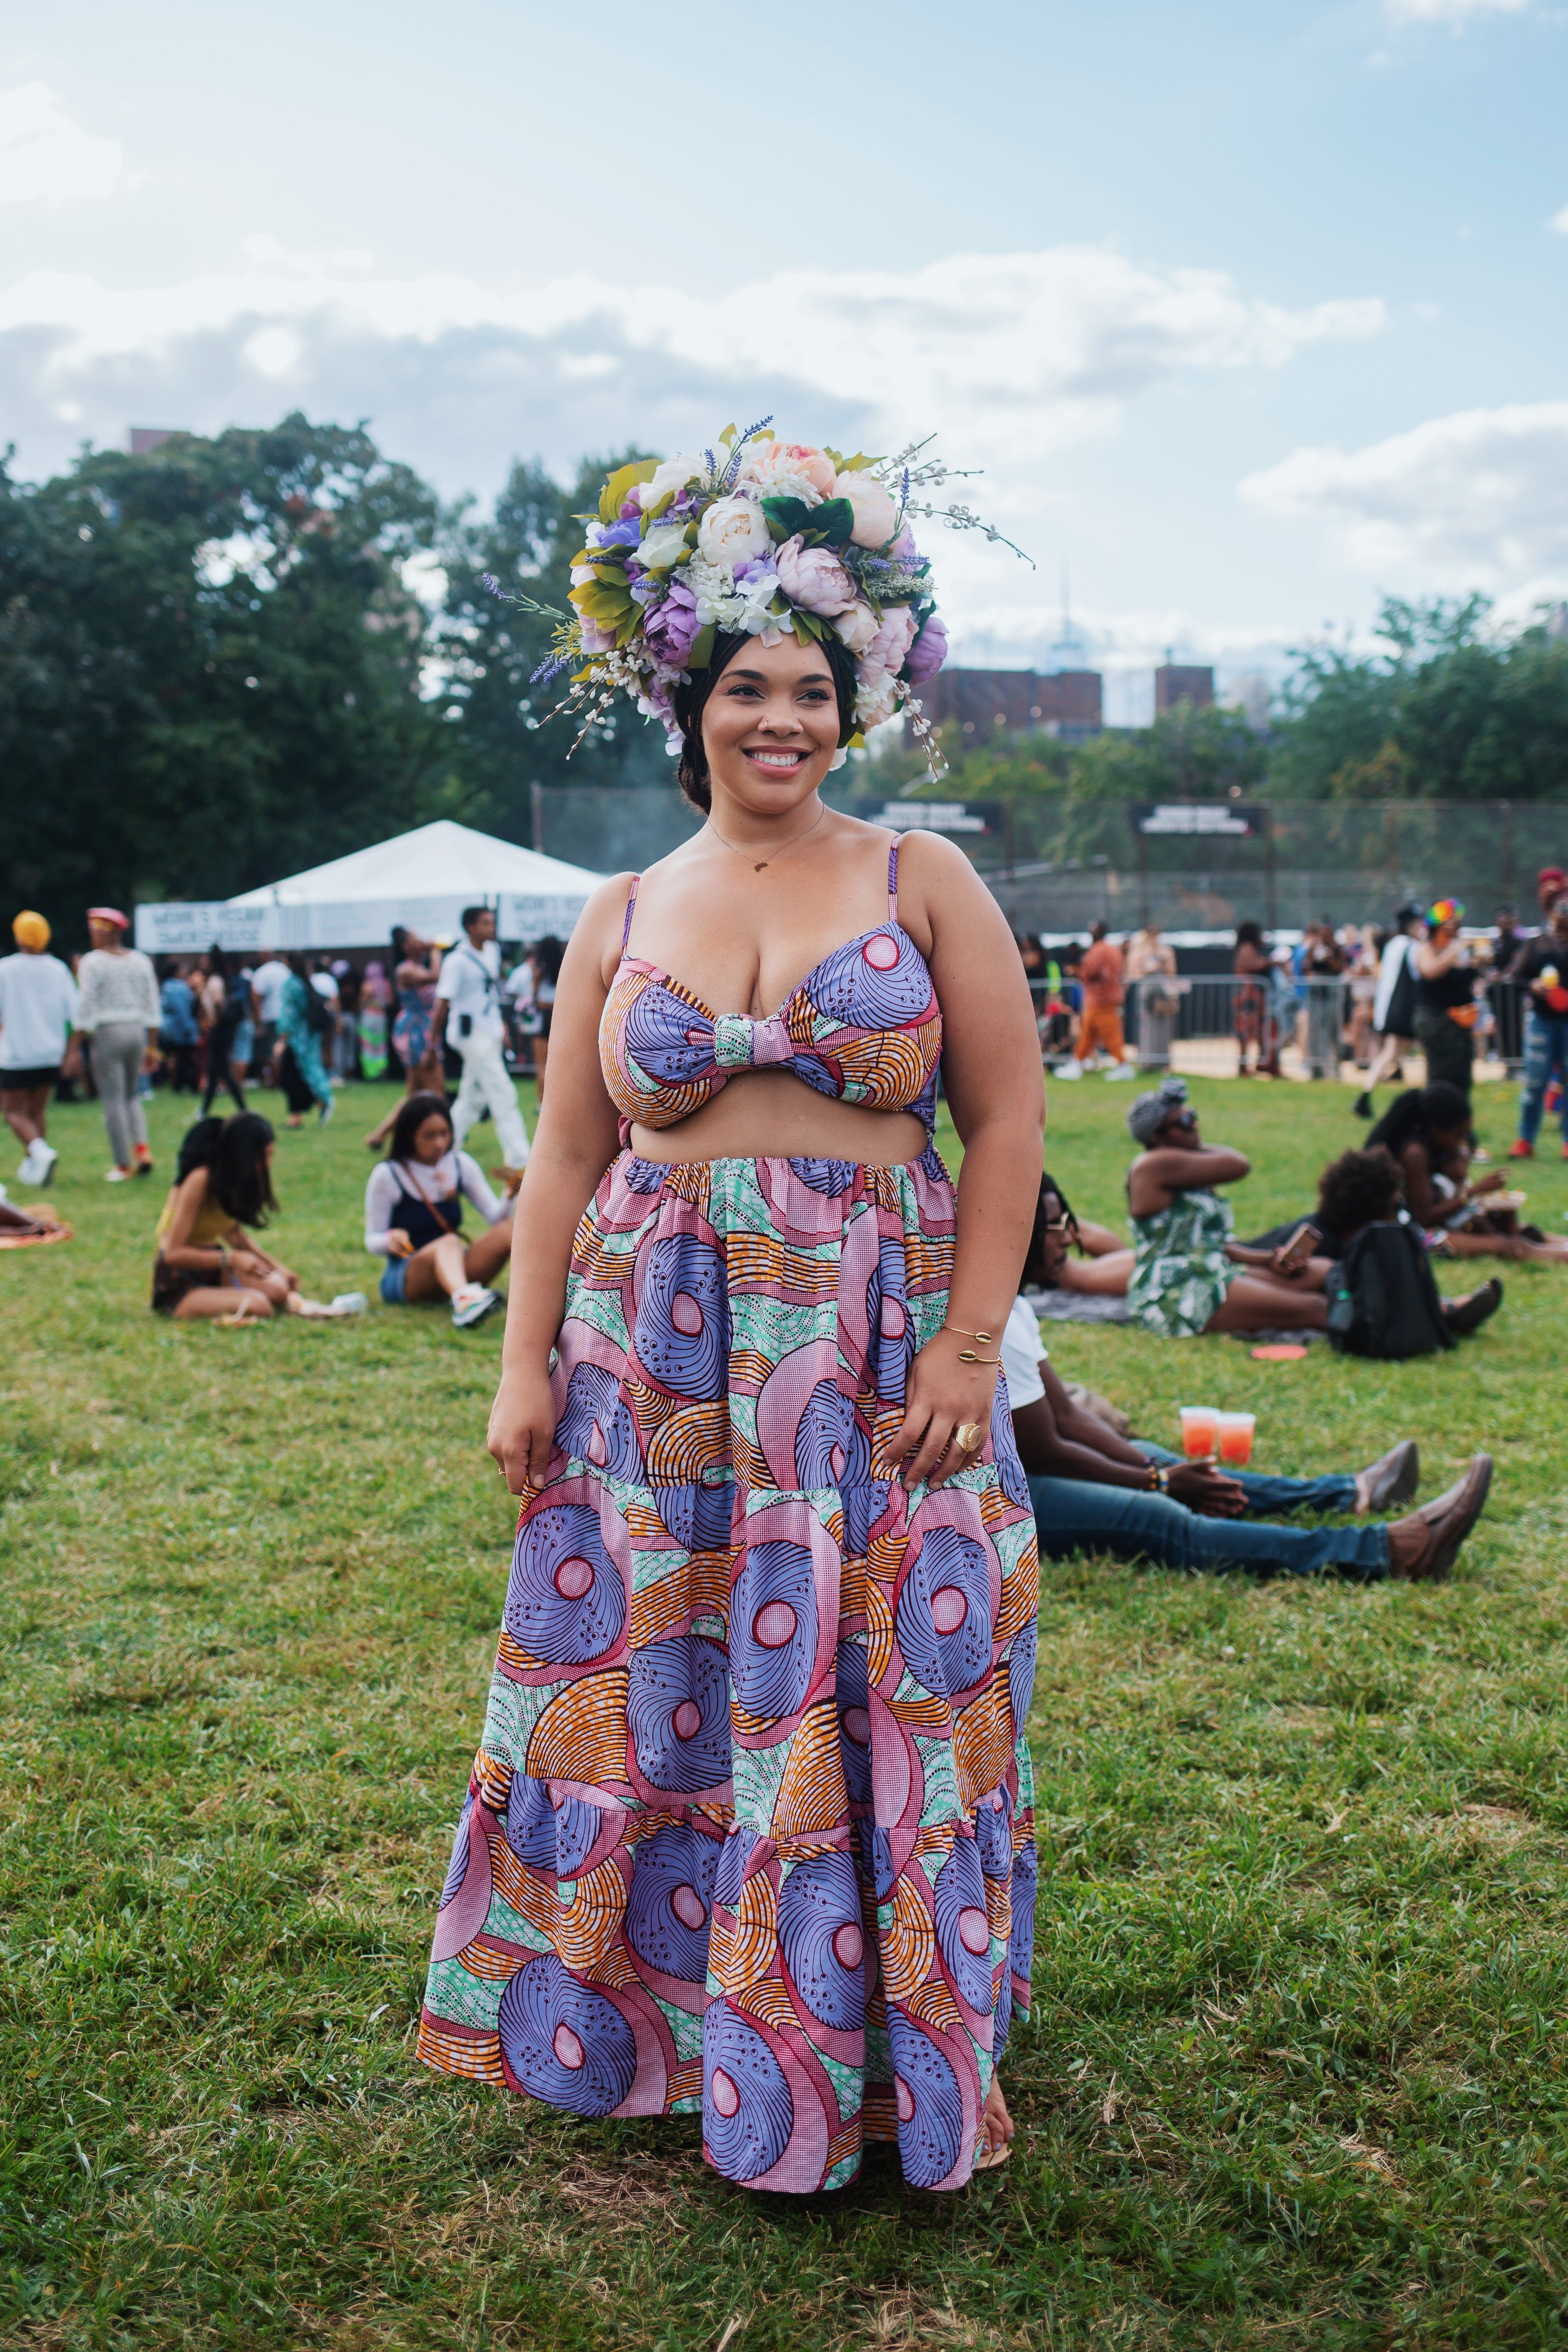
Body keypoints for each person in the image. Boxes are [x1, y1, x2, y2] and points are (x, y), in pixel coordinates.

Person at [420, 426, 1043, 2194]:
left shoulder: (919, 876)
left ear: (854, 706)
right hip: (653, 1353)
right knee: (657, 1681)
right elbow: (557, 1160)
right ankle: (668, 2030)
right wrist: (523, 1363)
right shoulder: (620, 909)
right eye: (748, 689)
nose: (781, 721)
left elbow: (1003, 1122)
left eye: (813, 692)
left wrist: (968, 1343)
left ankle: (879, 2049)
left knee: (878, 1689)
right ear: (686, 701)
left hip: (865, 1336)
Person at [999, 1287, 1493, 1583]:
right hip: (998, 1496)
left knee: (1152, 1455)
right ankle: (1388, 1551)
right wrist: (1160, 1485)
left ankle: (1351, 1493)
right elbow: (1044, 1450)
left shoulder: (1013, 1302)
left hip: (1029, 1465)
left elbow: (1062, 1411)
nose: (1068, 1235)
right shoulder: (988, 1312)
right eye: (1054, 1222)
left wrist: (1153, 1469)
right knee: (1163, 1518)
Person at [1124, 1077, 1333, 1335]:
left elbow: (1214, 1244)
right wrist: (1197, 1148)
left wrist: (1267, 1260)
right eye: (1186, 1122)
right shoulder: (1153, 1165)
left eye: (1193, 1116)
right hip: (1174, 1288)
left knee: (1324, 1272)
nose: (1196, 1126)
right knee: (1316, 1307)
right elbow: (1238, 1164)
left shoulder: (1187, 1168)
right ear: (1156, 1136)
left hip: (1212, 1270)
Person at [363, 1090, 512, 1326]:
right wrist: (389, 1240)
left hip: (454, 1267)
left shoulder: (460, 1164)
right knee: (450, 1241)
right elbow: (371, 1240)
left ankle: (537, 1298)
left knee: (510, 1230)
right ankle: (465, 1302)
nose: (440, 1143)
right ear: (409, 1136)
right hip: (406, 1275)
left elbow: (496, 1219)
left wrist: (511, 1194)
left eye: (445, 1134)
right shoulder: (389, 1174)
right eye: (429, 1136)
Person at [151, 1113, 302, 1321]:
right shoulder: (200, 1180)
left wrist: (279, 1268)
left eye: (270, 1156)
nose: (267, 1164)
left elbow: (235, 1237)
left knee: (279, 1290)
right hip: (180, 1279)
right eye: (263, 1157)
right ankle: (188, 1305)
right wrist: (229, 1259)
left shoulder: (230, 1181)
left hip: (215, 1268)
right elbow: (173, 1254)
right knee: (260, 1305)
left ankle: (221, 1295)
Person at [431, 906, 531, 1176]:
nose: (492, 928)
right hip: (469, 1034)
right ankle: (520, 1156)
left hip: (490, 1031)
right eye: (486, 924)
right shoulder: (457, 960)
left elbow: (492, 996)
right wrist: (432, 1042)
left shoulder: (492, 952)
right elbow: (443, 1001)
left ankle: (447, 1146)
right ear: (470, 928)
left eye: (493, 923)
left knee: (472, 1097)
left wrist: (503, 1030)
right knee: (502, 1092)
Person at [76, 906, 161, 1181]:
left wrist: (76, 1042)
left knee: (112, 1100)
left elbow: (86, 1004)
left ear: (104, 931)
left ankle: (123, 1164)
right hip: (137, 1031)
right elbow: (152, 1004)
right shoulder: (140, 960)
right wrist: (152, 1046)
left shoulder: (93, 962)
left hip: (107, 1032)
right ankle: (143, 1150)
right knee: (131, 1096)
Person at [0, 911, 81, 1186]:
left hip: (16, 1053)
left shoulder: (6, 969)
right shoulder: (58, 968)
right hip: (50, 1052)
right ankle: (38, 1169)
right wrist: (72, 1051)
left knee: (12, 1112)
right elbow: (76, 1012)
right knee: (36, 1112)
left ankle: (39, 1153)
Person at [364, 929, 445, 1148]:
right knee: (436, 1094)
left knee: (414, 1095)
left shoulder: (416, 967)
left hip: (423, 1029)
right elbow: (435, 977)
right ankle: (431, 1139)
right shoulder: (405, 971)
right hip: (416, 1033)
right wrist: (436, 952)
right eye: (415, 939)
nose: (422, 941)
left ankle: (379, 1136)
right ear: (405, 947)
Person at [1507, 890, 1568, 1160]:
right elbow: (1516, 976)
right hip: (1542, 1022)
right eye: (1563, 909)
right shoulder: (1538, 943)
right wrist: (1533, 985)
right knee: (1535, 1082)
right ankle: (1525, 1140)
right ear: (1552, 911)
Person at [1353, 903, 1425, 1117]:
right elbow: (1419, 974)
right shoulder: (1411, 946)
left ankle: (1365, 1096)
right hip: (1404, 1010)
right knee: (1415, 1053)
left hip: (1392, 1009)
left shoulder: (1395, 944)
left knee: (1391, 1055)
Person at [1412, 899, 1479, 1097]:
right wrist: (1454, 952)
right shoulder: (1426, 949)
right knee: (1441, 1076)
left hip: (1460, 1023)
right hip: (1436, 1022)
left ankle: (1460, 1123)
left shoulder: (1456, 952)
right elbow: (1430, 971)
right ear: (1439, 925)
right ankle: (1437, 1122)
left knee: (1462, 1077)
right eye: (1453, 922)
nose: (1458, 927)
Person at [1059, 920, 1131, 1080]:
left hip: (1101, 999)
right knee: (1088, 1033)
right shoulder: (1113, 950)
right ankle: (1077, 1063)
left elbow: (1091, 972)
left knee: (1111, 1034)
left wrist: (1077, 973)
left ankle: (1123, 1065)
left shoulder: (1099, 951)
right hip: (1105, 999)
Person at [275, 954, 335, 1126]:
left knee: (292, 1076)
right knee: (304, 1071)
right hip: (308, 1036)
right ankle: (315, 1103)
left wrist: (282, 1039)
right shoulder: (304, 983)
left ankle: (320, 1101)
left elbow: (289, 1015)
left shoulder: (292, 985)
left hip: (297, 1039)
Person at [198, 947, 248, 1115]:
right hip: (221, 1032)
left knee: (223, 1073)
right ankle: (205, 1111)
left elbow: (219, 1004)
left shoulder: (215, 981)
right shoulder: (220, 979)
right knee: (216, 1074)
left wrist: (213, 1021)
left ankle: (243, 1110)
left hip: (219, 1033)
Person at [1232, 921, 1280, 1078]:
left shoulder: (1247, 948)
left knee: (1261, 1031)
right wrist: (1272, 962)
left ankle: (1263, 1064)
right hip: (1248, 997)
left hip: (1253, 997)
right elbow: (1251, 966)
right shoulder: (1247, 948)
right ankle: (1244, 1066)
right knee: (1246, 1032)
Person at [159, 960, 201, 1094]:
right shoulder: (178, 987)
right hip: (180, 1029)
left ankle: (177, 1083)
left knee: (175, 1056)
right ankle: (183, 1084)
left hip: (170, 1028)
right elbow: (182, 1010)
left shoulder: (166, 986)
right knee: (184, 1057)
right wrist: (189, 1028)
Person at [250, 952, 292, 1082]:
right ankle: (283, 1078)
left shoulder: (262, 973)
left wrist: (258, 1020)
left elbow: (256, 997)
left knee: (272, 1051)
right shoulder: (285, 970)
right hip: (286, 1015)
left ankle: (276, 1080)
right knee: (283, 1048)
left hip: (270, 1016)